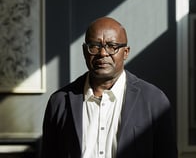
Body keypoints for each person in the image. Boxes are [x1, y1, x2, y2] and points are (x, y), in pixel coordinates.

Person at [41, 16, 177, 158]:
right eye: (94, 46)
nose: (103, 53)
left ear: (125, 52)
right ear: (84, 51)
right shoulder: (60, 102)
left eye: (112, 46)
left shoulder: (154, 101)